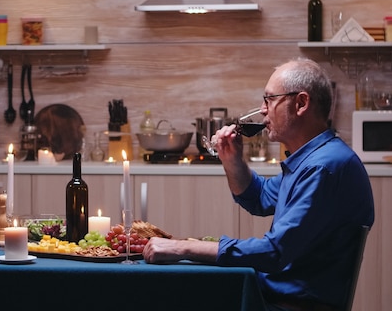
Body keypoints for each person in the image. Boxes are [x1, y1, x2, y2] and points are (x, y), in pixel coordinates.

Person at [143, 58, 374, 310]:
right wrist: (233, 161)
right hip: (273, 298)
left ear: (301, 103)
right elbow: (260, 197)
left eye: (269, 100)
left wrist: (184, 247)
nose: (263, 110)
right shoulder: (310, 159)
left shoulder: (323, 167)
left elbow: (274, 252)